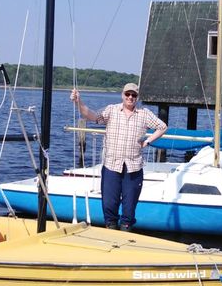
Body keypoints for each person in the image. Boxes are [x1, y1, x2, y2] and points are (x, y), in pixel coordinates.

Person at [70, 82, 167, 230]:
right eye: (127, 94)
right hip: (111, 165)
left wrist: (147, 141)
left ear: (137, 97)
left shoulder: (144, 113)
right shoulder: (112, 110)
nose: (130, 97)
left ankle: (126, 230)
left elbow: (162, 127)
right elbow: (90, 115)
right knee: (109, 204)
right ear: (122, 95)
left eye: (133, 95)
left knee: (129, 208)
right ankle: (111, 229)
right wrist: (79, 101)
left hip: (133, 167)